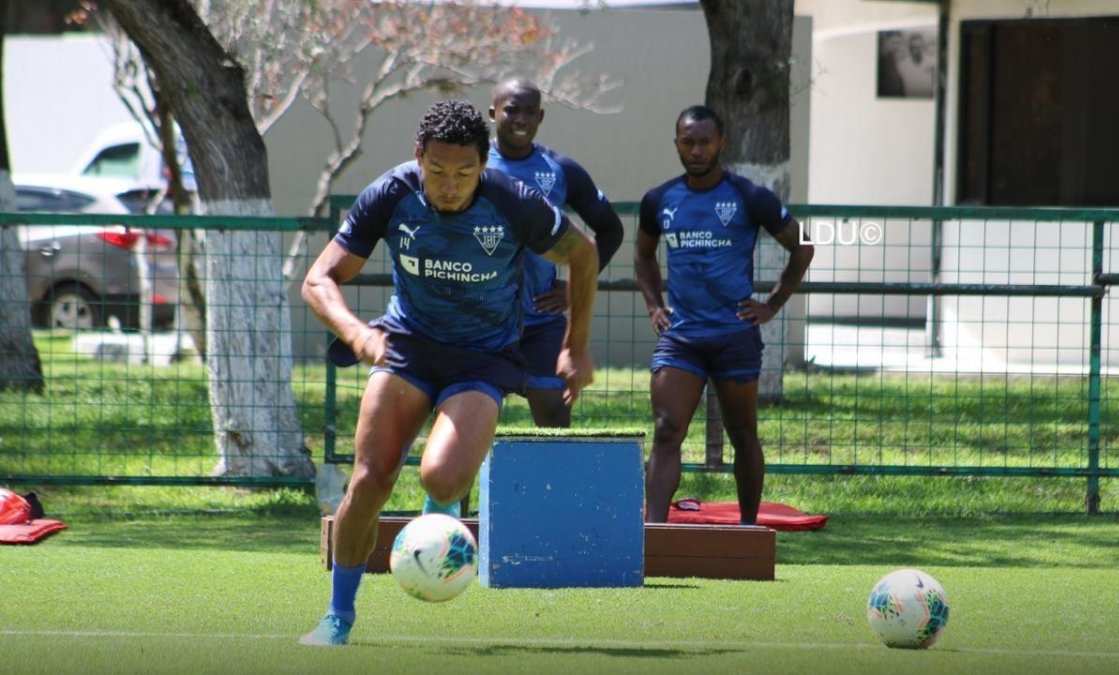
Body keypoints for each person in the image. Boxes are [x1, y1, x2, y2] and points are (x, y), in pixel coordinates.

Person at [299, 100, 598, 646]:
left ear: (485, 165)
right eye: (436, 171)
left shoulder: (513, 201)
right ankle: (337, 617)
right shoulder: (392, 193)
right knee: (368, 482)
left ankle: (433, 536)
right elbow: (318, 280)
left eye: (464, 173)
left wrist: (576, 348)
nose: (449, 186)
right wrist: (357, 333)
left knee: (442, 477)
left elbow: (584, 253)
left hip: (483, 358)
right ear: (419, 158)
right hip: (408, 348)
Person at [634, 105, 813, 526]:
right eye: (687, 141)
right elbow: (642, 254)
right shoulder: (659, 199)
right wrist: (653, 304)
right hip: (682, 337)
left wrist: (773, 303)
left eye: (704, 141)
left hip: (734, 336)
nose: (696, 150)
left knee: (743, 435)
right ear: (676, 143)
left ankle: (748, 529)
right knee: (666, 429)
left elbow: (803, 246)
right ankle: (654, 532)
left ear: (721, 143)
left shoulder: (749, 196)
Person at [487, 78, 625, 427]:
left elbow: (610, 230)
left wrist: (571, 286)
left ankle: (555, 483)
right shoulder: (471, 164)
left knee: (554, 416)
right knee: (472, 419)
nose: (521, 119)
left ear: (541, 117)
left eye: (530, 112)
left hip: (540, 322)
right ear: (492, 114)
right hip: (482, 321)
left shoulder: (560, 169)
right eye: (511, 110)